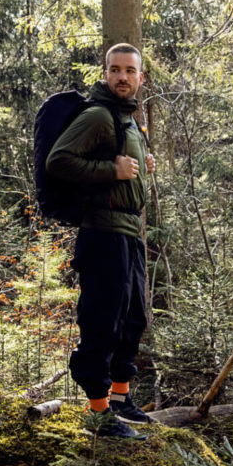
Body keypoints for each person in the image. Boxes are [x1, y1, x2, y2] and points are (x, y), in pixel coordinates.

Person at [46, 43, 156, 439]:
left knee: (133, 317)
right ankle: (98, 411)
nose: (122, 77)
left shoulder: (127, 120)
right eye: (115, 70)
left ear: (141, 77)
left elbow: (126, 170)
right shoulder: (98, 115)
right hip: (102, 234)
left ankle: (122, 399)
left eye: (130, 71)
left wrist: (140, 166)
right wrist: (112, 168)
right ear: (105, 73)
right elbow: (58, 161)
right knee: (102, 322)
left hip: (127, 233)